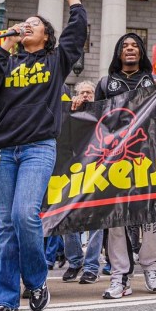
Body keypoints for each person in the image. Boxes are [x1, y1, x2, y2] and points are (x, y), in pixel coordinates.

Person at [0, 0, 86, 311]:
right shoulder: (7, 59)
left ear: (47, 36)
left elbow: (78, 26)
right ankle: (5, 300)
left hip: (38, 147)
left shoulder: (56, 58)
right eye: (22, 23)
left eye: (34, 24)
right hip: (2, 150)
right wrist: (4, 46)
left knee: (25, 215)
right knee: (5, 226)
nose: (26, 26)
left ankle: (37, 281)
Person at [94, 33, 156, 298]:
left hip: (148, 157)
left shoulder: (153, 82)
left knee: (151, 215)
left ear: (141, 53)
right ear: (118, 53)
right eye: (125, 46)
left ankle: (150, 265)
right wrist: (80, 103)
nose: (130, 49)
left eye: (134, 46)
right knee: (116, 219)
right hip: (114, 160)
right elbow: (92, 119)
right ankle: (120, 275)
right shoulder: (106, 83)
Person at [61, 81, 104, 286]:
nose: (86, 95)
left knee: (97, 221)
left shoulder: (102, 112)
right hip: (73, 171)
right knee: (66, 217)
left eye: (89, 92)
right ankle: (75, 261)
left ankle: (91, 267)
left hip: (97, 171)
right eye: (82, 93)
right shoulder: (69, 113)